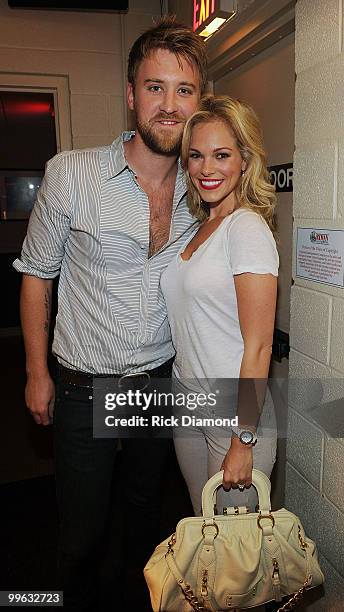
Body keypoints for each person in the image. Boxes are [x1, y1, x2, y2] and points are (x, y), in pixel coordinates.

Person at [13, 17, 207, 611]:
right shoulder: (72, 174)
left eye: (184, 91)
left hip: (158, 379)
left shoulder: (204, 187)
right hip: (81, 383)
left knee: (148, 514)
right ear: (131, 95)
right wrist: (36, 372)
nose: (169, 106)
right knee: (83, 531)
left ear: (200, 101)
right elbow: (35, 274)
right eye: (155, 87)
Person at [161, 94, 279, 516]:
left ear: (245, 159)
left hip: (233, 414)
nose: (206, 169)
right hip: (188, 396)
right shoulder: (204, 226)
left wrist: (242, 441)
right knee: (203, 529)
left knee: (234, 559)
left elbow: (259, 347)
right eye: (195, 156)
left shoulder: (246, 228)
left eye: (221, 154)